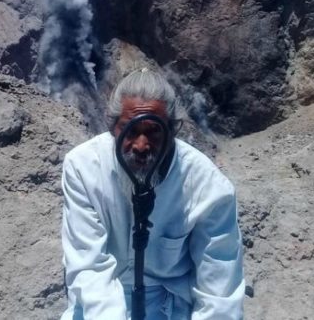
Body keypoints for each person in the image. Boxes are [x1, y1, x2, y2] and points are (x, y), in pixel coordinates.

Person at [60, 69, 244, 320]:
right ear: (112, 127)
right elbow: (90, 267)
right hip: (99, 303)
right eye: (130, 130)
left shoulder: (208, 187)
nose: (141, 146)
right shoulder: (83, 168)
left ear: (173, 130)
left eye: (154, 131)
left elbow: (219, 289)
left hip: (170, 303)